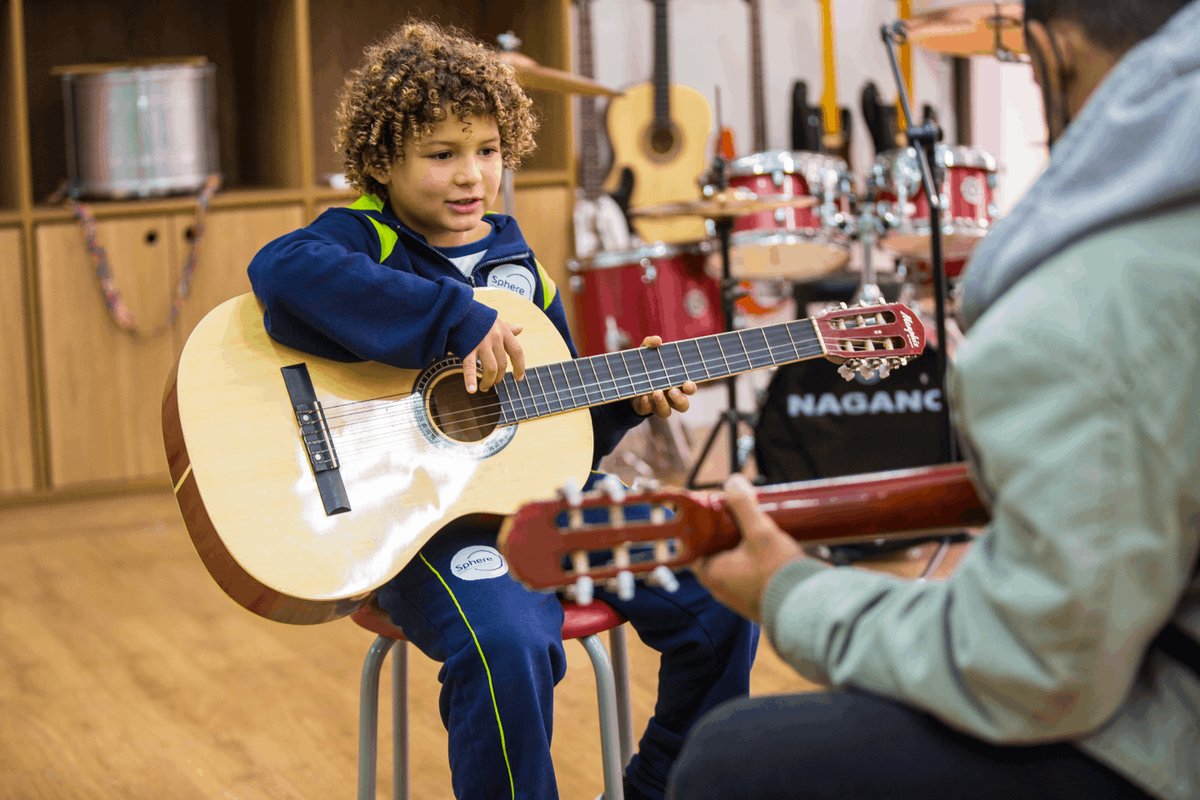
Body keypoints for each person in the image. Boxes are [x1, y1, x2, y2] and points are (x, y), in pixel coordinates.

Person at [668, 1, 1200, 798]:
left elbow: (1036, 669)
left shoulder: (1077, 309)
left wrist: (791, 590)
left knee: (729, 762)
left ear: (1051, 52)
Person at [246, 20, 757, 800]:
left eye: (486, 150)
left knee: (725, 593)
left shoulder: (517, 264)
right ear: (382, 160)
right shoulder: (361, 237)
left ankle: (661, 788)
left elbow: (554, 430)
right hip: (416, 522)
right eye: (441, 154)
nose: (470, 178)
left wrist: (625, 401)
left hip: (538, 505)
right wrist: (455, 318)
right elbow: (279, 271)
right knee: (507, 640)